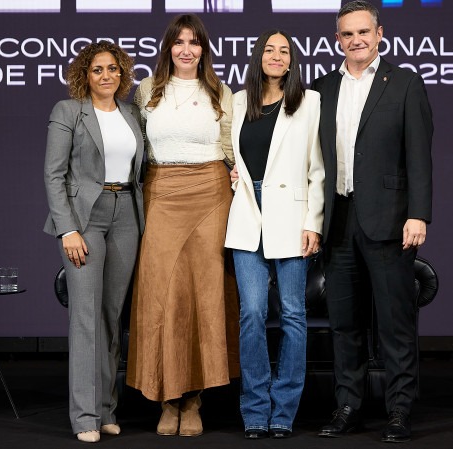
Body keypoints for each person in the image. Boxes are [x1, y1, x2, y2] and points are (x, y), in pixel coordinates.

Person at [310, 1, 433, 443]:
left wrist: (418, 213)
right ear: (337, 39)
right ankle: (348, 407)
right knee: (344, 324)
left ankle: (399, 410)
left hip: (391, 221)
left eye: (364, 32)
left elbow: (419, 156)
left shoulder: (404, 83)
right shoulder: (321, 89)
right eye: (347, 34)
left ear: (380, 34)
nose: (356, 40)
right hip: (338, 220)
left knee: (395, 323)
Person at [126, 13, 239, 437]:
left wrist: (238, 173)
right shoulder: (146, 91)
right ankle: (167, 399)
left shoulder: (220, 92)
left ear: (204, 49)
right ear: (168, 47)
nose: (186, 49)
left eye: (194, 42)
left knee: (204, 296)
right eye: (179, 42)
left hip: (210, 194)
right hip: (160, 193)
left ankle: (194, 401)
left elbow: (232, 147)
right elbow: (134, 148)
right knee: (163, 294)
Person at [43, 41, 145, 443]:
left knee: (111, 317)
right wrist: (67, 229)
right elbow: (53, 174)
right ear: (84, 75)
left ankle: (106, 411)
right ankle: (84, 416)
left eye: (113, 69)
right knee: (85, 318)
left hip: (127, 216)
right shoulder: (68, 111)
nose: (107, 75)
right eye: (98, 69)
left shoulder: (131, 112)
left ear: (123, 73)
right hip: (86, 218)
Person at [224, 30, 324, 439]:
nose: (277, 56)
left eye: (284, 51)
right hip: (249, 214)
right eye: (270, 49)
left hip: (294, 217)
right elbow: (234, 156)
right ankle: (254, 408)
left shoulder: (309, 101)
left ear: (292, 60)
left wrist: (313, 223)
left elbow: (318, 167)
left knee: (294, 316)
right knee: (250, 314)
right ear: (258, 55)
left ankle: (283, 409)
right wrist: (235, 177)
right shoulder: (237, 100)